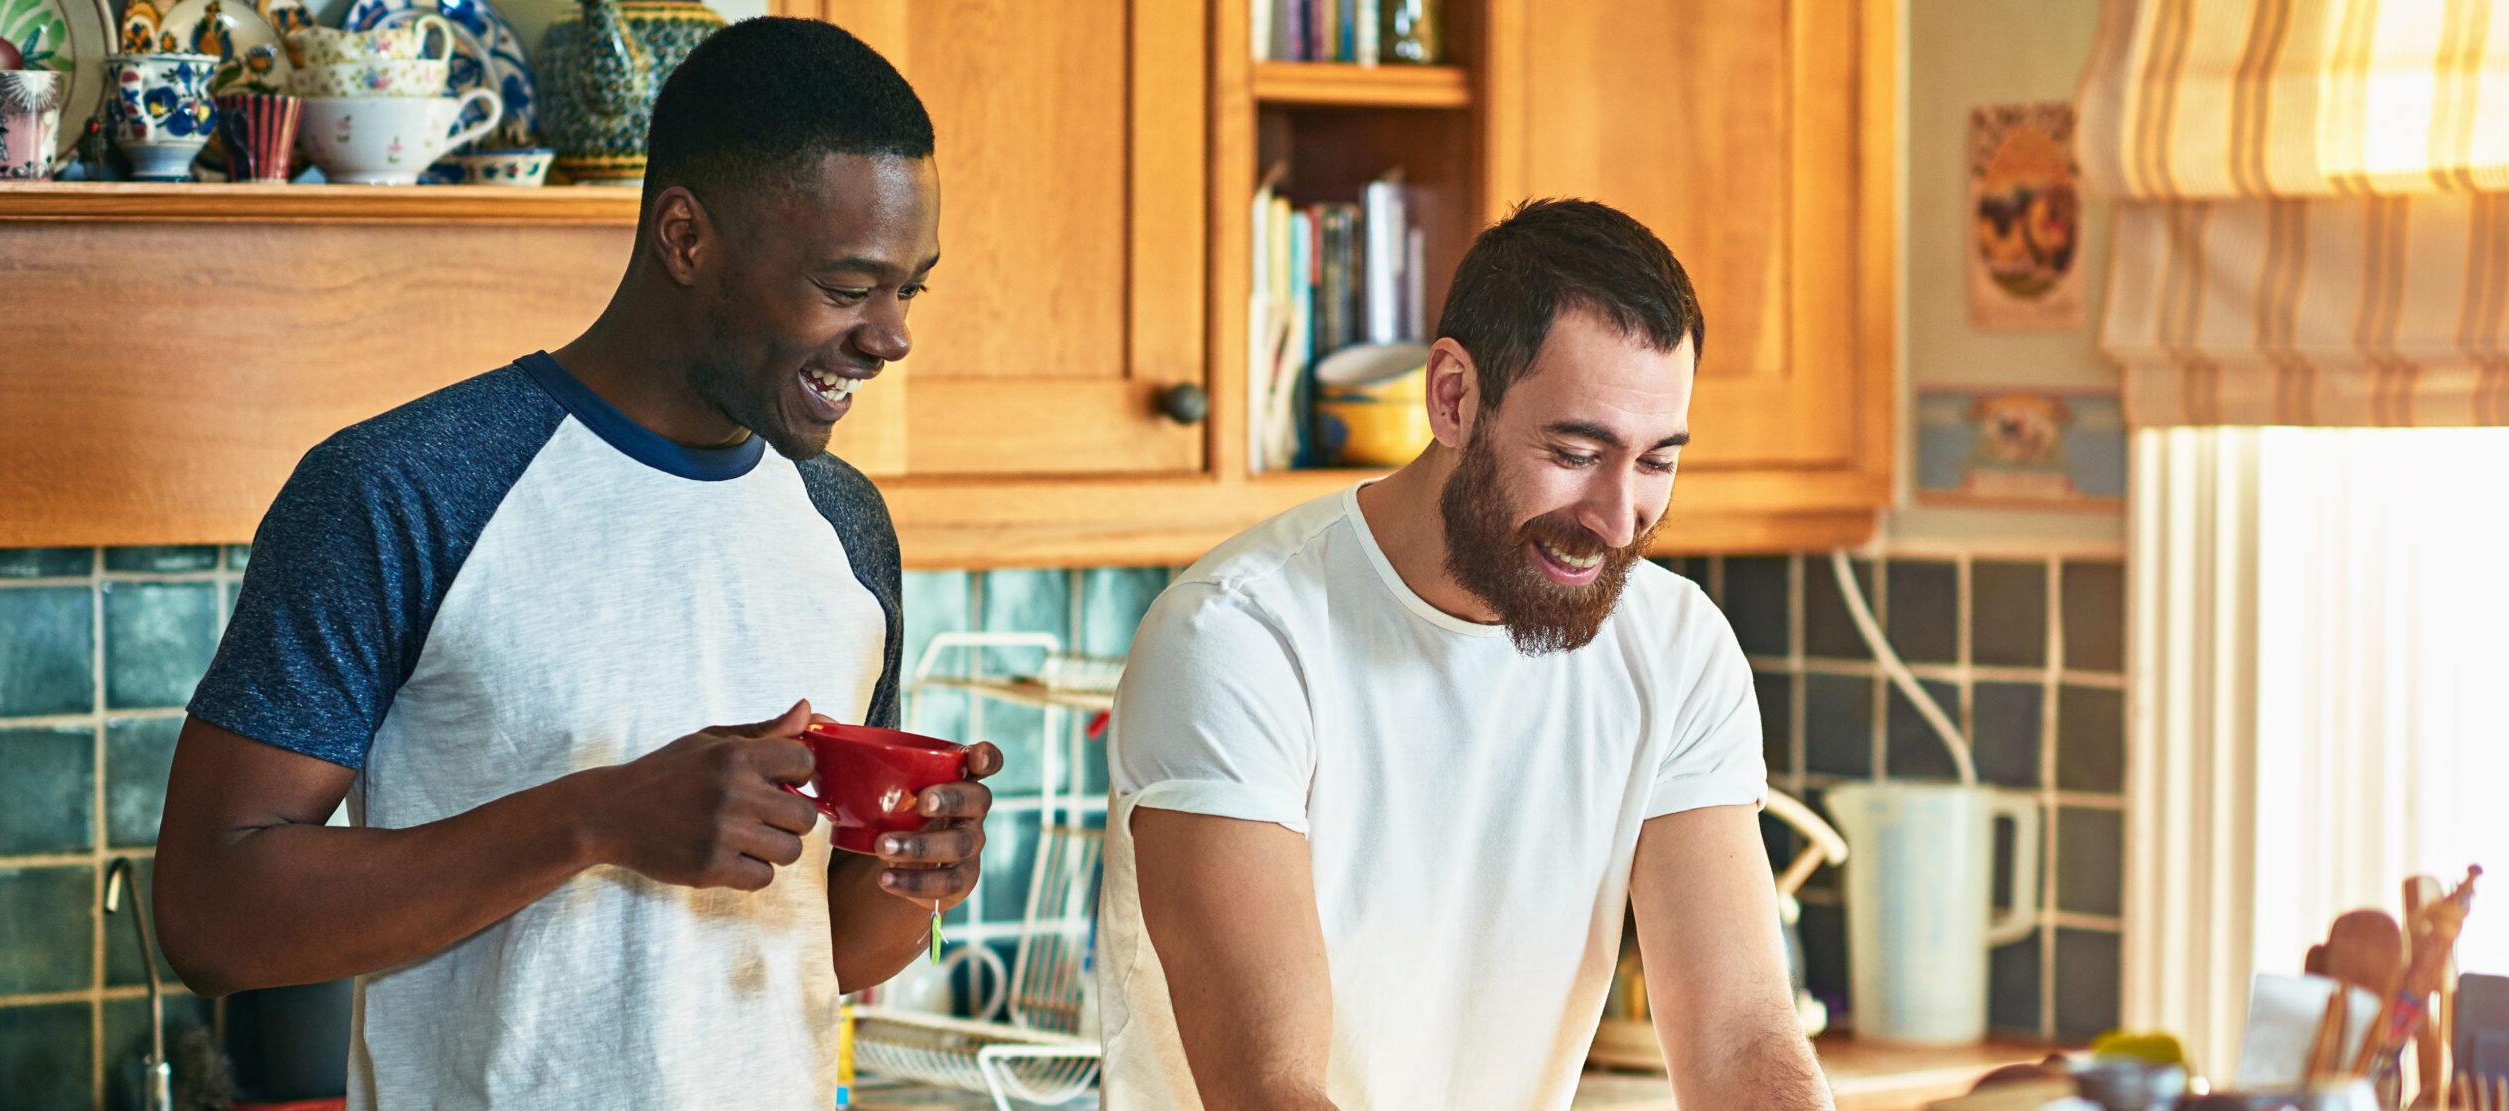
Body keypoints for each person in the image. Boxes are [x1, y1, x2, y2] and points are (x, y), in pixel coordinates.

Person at [150, 19, 996, 1108]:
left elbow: (826, 950)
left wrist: (915, 875)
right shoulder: (404, 489)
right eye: (846, 287)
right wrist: (595, 818)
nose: (891, 335)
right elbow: (211, 915)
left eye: (907, 289)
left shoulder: (843, 525)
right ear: (685, 239)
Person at [1098, 199, 1834, 1110]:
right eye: (1575, 450)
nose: (1616, 519)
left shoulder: (1677, 650)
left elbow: (1739, 1039)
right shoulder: (1239, 639)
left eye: (1656, 463)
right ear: (1452, 396)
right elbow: (1267, 1087)